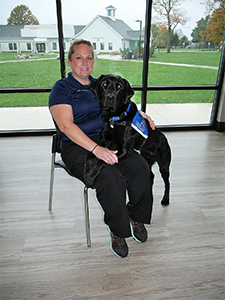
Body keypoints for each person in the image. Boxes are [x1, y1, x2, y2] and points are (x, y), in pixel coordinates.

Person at [49, 39, 155, 258]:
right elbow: (66, 126)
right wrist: (96, 149)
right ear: (70, 61)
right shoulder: (62, 88)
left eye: (89, 58)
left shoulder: (102, 83)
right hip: (77, 146)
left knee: (140, 168)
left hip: (108, 139)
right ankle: (118, 231)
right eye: (79, 57)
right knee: (111, 178)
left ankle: (135, 215)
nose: (84, 63)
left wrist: (140, 115)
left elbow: (122, 104)